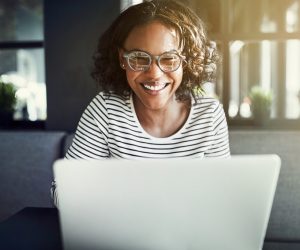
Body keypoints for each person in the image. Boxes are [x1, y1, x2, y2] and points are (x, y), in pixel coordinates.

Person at [52, 0, 230, 204]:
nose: (154, 74)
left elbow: (221, 195)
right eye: (138, 58)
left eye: (169, 58)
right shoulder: (105, 110)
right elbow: (60, 194)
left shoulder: (209, 115)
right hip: (120, 232)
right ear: (122, 59)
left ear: (186, 60)